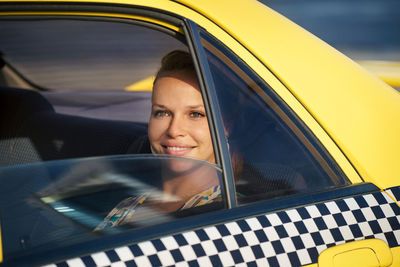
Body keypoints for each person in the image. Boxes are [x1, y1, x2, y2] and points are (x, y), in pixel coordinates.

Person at [95, 50, 221, 231]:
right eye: (162, 112)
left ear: (226, 126)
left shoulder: (226, 214)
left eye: (195, 114)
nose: (174, 130)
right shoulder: (129, 204)